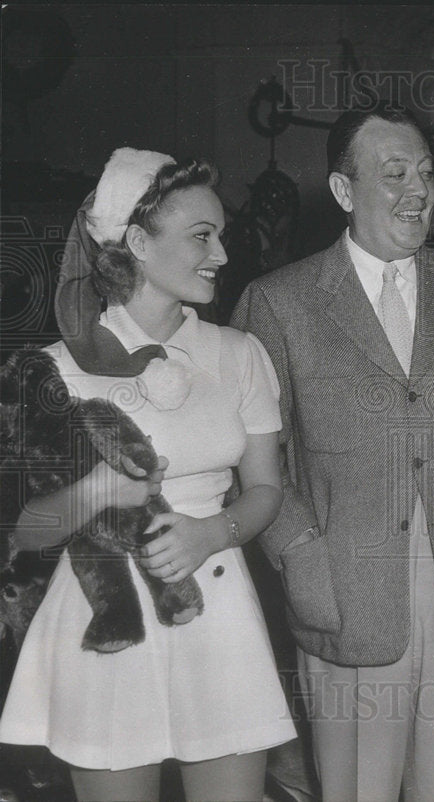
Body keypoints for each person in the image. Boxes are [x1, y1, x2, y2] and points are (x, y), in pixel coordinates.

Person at [230, 105, 434, 802]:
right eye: (393, 175)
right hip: (345, 590)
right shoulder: (277, 301)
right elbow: (251, 454)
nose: (417, 191)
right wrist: (302, 557)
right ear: (342, 192)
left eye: (425, 173)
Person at [0, 148, 296, 801]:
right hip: (102, 622)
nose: (221, 252)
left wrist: (213, 533)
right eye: (200, 236)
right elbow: (26, 529)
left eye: (221, 233)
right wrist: (104, 489)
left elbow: (267, 490)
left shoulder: (239, 354)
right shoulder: (56, 366)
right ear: (136, 241)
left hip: (217, 614)